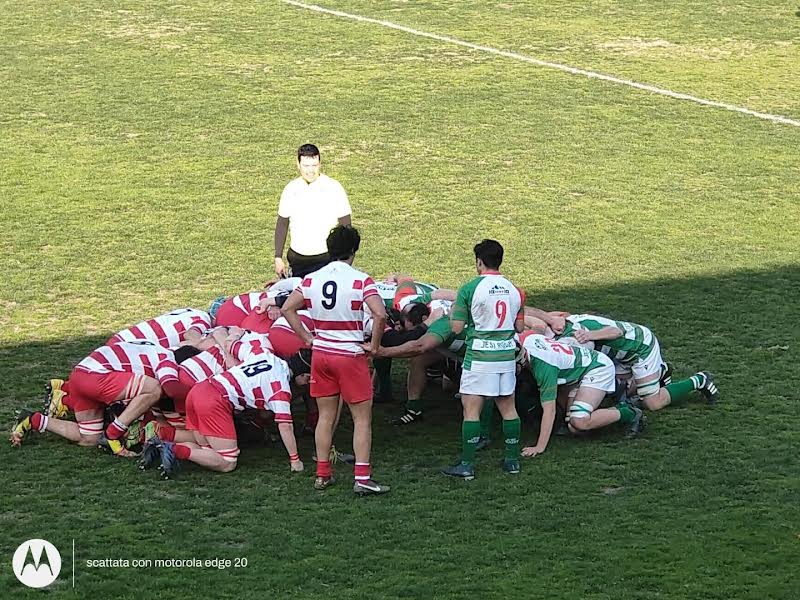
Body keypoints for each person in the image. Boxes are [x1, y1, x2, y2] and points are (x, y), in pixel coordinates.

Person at [281, 225, 390, 495]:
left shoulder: (312, 279)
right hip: (349, 355)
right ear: (354, 250)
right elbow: (380, 314)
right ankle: (362, 477)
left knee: (325, 416)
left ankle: (322, 474)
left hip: (322, 354)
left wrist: (307, 338)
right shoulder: (361, 280)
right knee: (361, 418)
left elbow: (287, 308)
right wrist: (374, 346)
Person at [443, 239, 525, 480]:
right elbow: (519, 326)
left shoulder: (469, 289)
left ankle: (467, 465)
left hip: (479, 357)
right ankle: (512, 461)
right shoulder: (515, 290)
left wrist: (453, 313)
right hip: (505, 356)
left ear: (479, 262)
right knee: (508, 408)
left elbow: (457, 328)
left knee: (471, 410)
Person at [518, 332, 645, 459]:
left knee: (579, 422)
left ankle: (629, 412)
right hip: (580, 368)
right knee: (571, 426)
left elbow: (549, 410)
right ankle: (614, 391)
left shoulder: (544, 368)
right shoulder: (528, 340)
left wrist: (539, 447)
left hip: (597, 369)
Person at [556, 314, 718, 410]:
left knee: (653, 403)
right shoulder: (562, 327)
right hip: (618, 358)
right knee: (615, 393)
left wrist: (591, 335)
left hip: (640, 349)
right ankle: (660, 372)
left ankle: (699, 380)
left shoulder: (584, 327)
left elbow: (616, 331)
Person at [273, 144, 351, 279]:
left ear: (320, 164)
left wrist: (346, 260)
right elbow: (282, 224)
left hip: (326, 259)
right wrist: (278, 257)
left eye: (314, 165)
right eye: (306, 166)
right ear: (298, 164)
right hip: (297, 261)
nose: (310, 171)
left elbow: (346, 227)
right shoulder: (291, 189)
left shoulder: (334, 188)